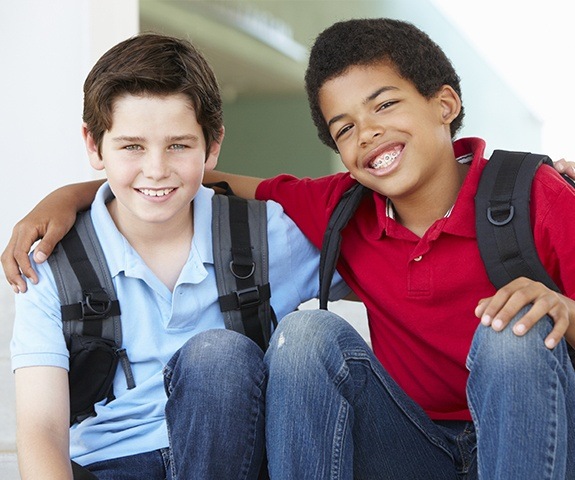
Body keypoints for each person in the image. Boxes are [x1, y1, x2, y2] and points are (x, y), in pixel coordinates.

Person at [3, 18, 575, 480]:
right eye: (344, 127)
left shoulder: (533, 195)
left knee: (515, 329)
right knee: (305, 336)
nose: (368, 134)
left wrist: (565, 310)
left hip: (527, 431)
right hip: (407, 443)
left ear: (445, 103)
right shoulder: (338, 211)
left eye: (384, 105)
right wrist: (73, 195)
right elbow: (197, 180)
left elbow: (193, 176)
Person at [9, 33, 348, 480]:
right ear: (94, 146)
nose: (156, 169)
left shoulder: (267, 236)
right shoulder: (52, 263)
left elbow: (389, 264)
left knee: (218, 356)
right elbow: (42, 432)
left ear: (213, 146)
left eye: (179, 145)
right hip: (113, 465)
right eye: (132, 146)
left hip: (237, 460)